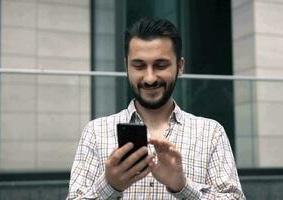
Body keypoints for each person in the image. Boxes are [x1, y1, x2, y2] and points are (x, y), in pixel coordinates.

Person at [67, 18, 245, 199]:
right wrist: (110, 185)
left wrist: (183, 186)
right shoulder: (96, 132)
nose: (150, 78)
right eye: (139, 66)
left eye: (161, 65)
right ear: (126, 67)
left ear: (180, 66)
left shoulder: (211, 133)